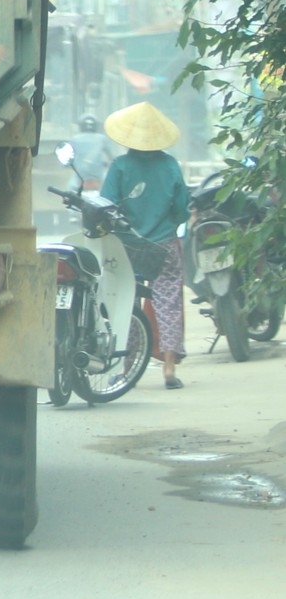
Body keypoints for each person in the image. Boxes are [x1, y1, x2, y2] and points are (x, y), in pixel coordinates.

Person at [99, 103, 190, 388]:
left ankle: (127, 370)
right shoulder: (171, 165)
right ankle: (169, 368)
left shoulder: (121, 167)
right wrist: (169, 225)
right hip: (164, 244)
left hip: (128, 245)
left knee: (127, 302)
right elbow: (182, 208)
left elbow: (106, 205)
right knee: (168, 303)